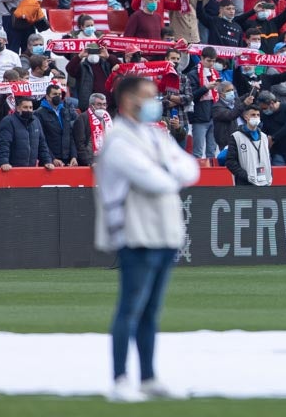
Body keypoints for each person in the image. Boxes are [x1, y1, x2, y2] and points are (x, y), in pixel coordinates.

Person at [93, 75, 200, 401]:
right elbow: (155, 180)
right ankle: (120, 379)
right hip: (136, 231)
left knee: (151, 310)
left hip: (164, 231)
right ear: (128, 101)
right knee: (130, 307)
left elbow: (191, 169)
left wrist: (167, 168)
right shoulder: (118, 139)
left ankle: (149, 377)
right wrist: (170, 169)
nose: (156, 101)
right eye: (148, 95)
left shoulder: (155, 136)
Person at [0, 96, 54, 171]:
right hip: (12, 170)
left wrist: (47, 161)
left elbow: (42, 145)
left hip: (31, 170)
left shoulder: (36, 121)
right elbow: (4, 144)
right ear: (18, 108)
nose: (29, 110)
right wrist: (4, 162)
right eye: (25, 107)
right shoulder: (8, 121)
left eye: (31, 107)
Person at [228, 104, 272, 185]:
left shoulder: (264, 136)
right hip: (245, 184)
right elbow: (230, 162)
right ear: (246, 117)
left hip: (264, 182)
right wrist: (246, 176)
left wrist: (269, 175)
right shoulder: (236, 136)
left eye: (258, 115)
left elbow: (267, 158)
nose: (256, 117)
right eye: (253, 115)